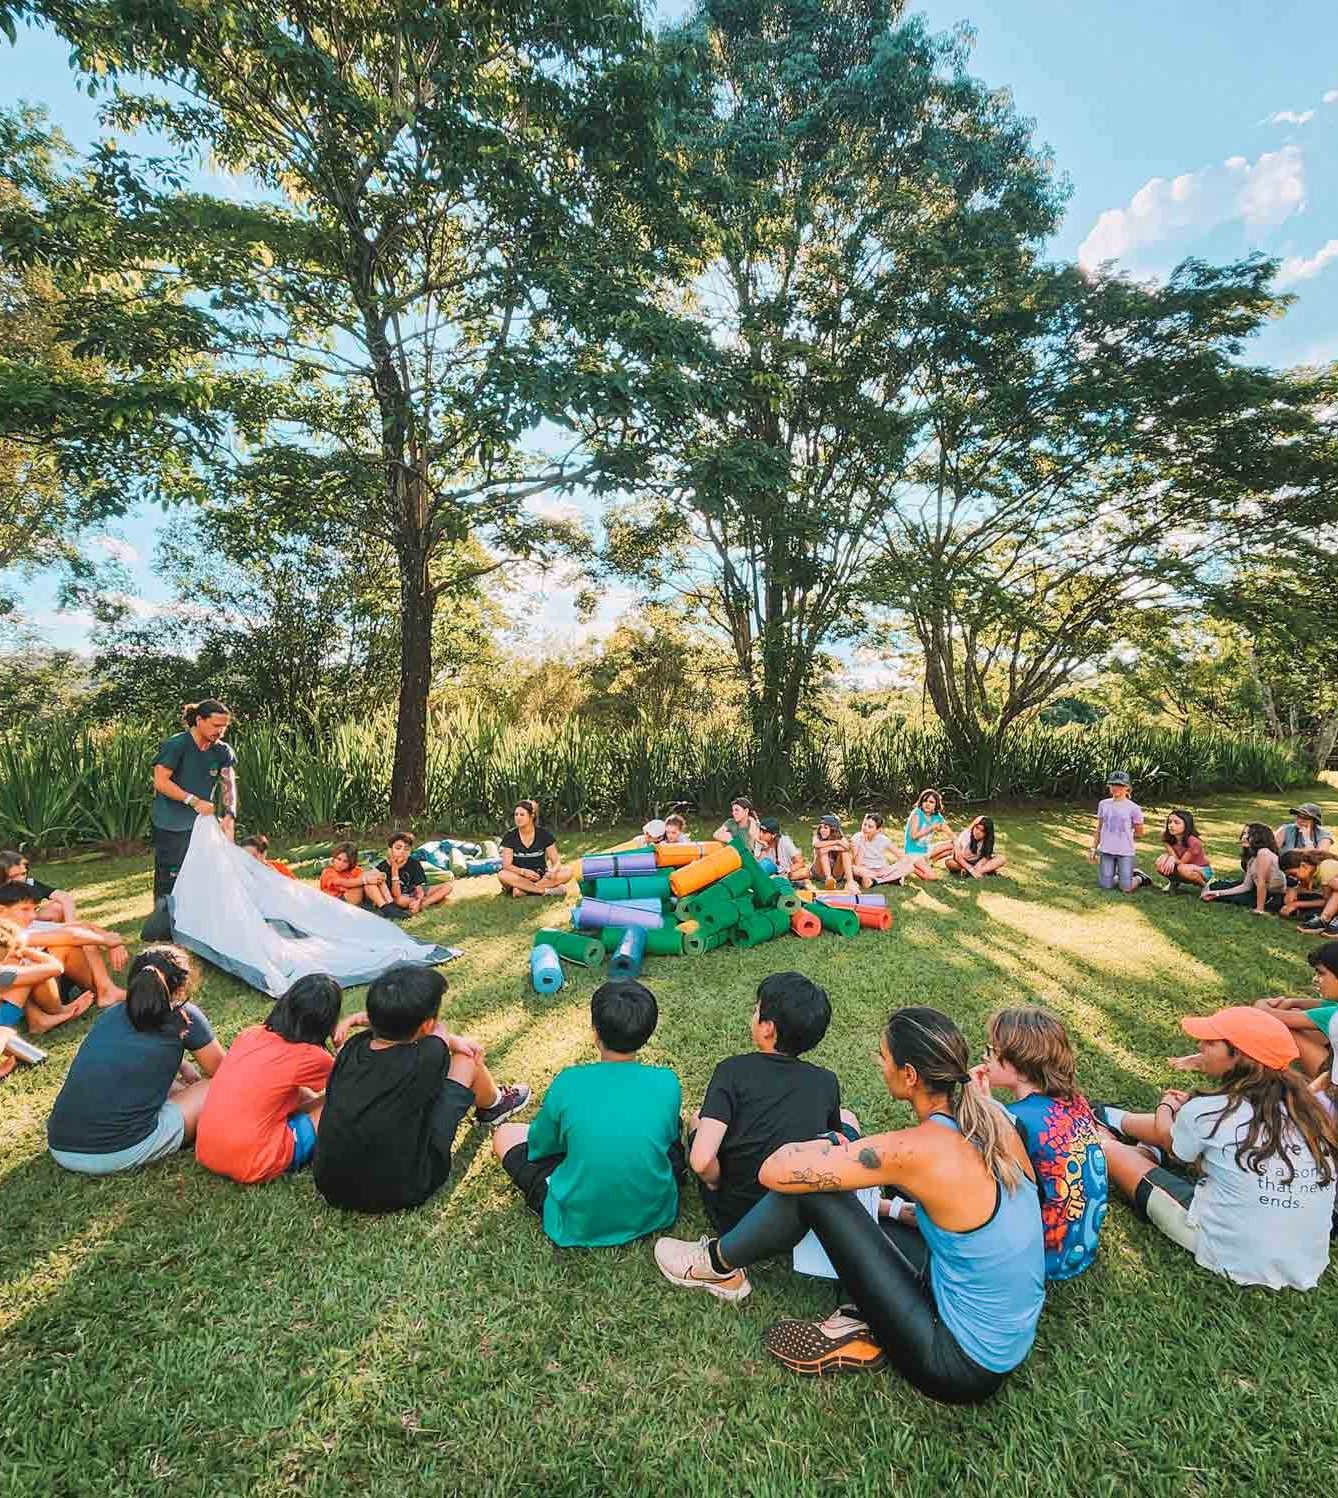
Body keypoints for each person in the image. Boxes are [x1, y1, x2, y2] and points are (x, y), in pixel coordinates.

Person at [654, 1007, 1044, 1402]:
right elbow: (968, 1222)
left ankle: (716, 1266)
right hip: (1002, 1338)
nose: (880, 1064)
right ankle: (855, 1320)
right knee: (877, 1207)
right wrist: (888, 1205)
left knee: (817, 1194)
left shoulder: (914, 1149)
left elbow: (773, 1172)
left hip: (958, 1363)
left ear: (909, 1075)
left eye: (883, 1057)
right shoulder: (994, 1122)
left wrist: (822, 1145)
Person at [1095, 1006, 1338, 1290]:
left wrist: (1166, 1106)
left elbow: (1173, 1145)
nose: (1200, 1047)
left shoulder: (1209, 1111)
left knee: (1108, 1151)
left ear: (1239, 1057)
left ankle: (1107, 1131)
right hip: (1305, 1260)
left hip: (1229, 1251)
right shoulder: (1311, 1111)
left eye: (1210, 1043)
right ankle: (1124, 1130)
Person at [313, 964, 530, 1213]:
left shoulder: (352, 1049)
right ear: (426, 1025)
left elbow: (409, 1030)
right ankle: (495, 1104)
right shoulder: (430, 1054)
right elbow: (440, 1036)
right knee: (468, 1059)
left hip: (330, 1183)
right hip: (404, 1188)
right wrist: (457, 1041)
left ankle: (494, 1103)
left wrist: (358, 1018)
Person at [492, 979, 683, 1247]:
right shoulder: (667, 1082)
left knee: (505, 1133)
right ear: (647, 1031)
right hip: (655, 1212)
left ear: (595, 1032)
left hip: (576, 1221)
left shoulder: (569, 1082)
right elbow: (670, 1137)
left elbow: (540, 1148)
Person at [688, 973, 844, 1244]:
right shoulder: (826, 1082)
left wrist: (713, 1183)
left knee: (695, 1121)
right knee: (848, 1119)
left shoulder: (731, 1071)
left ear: (767, 1028)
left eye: (756, 1009)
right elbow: (832, 1145)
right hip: (797, 1219)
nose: (753, 1014)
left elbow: (701, 1161)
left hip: (736, 1221)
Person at [46, 945, 224, 1175]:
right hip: (115, 1152)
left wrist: (182, 1066)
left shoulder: (111, 1016)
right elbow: (223, 1072)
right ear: (180, 986)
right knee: (211, 1088)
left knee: (181, 1088)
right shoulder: (184, 1015)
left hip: (60, 1146)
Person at [970, 1007, 1106, 1280]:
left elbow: (981, 1169)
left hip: (1038, 1257)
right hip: (1078, 1247)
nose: (985, 1056)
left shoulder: (1016, 1119)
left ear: (1019, 1066)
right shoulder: (1075, 1103)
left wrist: (980, 1108)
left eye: (992, 1050)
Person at [196, 974, 343, 1184]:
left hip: (207, 1150)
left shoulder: (250, 1034)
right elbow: (349, 1082)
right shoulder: (310, 1055)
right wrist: (339, 1046)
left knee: (295, 1091)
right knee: (336, 1103)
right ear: (327, 1022)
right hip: (251, 1160)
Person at [149, 699, 238, 909]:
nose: (220, 731)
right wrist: (193, 800)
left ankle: (197, 919)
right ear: (199, 720)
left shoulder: (222, 751)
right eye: (216, 726)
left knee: (206, 873)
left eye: (224, 727)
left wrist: (229, 814)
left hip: (202, 825)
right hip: (170, 823)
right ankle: (163, 923)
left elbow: (228, 783)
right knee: (171, 878)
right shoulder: (176, 745)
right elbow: (160, 781)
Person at [0, 883, 127, 1007]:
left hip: (37, 985)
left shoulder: (26, 923)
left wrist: (114, 942)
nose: (33, 915)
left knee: (83, 936)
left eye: (35, 909)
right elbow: (71, 936)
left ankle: (106, 989)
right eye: (25, 909)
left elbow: (79, 927)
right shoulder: (6, 933)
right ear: (2, 910)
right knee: (66, 945)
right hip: (18, 995)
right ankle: (103, 991)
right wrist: (106, 941)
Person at [1253, 941, 1338, 1077]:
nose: (1315, 979)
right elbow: (1319, 1005)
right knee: (1295, 1015)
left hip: (1331, 1085)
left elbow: (1266, 1014)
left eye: (1321, 974)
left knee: (1287, 1028)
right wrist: (1292, 1002)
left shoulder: (1333, 1014)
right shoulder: (1333, 1009)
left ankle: (1261, 1059)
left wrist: (1261, 1003)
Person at [0, 914, 87, 1047]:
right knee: (30, 971)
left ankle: (39, 1018)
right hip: (2, 1022)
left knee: (23, 974)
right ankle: (58, 1012)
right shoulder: (5, 973)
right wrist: (25, 951)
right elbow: (56, 967)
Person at [1200, 824, 1285, 915]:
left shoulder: (1263, 852)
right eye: (1244, 833)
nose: (1244, 837)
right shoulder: (1252, 859)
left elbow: (1262, 883)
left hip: (1272, 896)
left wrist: (1259, 909)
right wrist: (1216, 893)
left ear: (1259, 837)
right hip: (1256, 891)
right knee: (1216, 887)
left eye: (1248, 834)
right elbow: (1246, 886)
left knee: (1237, 898)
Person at [497, 800, 572, 897]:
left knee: (568, 871)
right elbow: (507, 865)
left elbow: (556, 862)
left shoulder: (544, 835)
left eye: (522, 815)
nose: (518, 818)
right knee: (502, 874)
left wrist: (552, 871)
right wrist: (523, 872)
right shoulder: (510, 836)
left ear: (532, 816)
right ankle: (545, 891)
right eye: (516, 814)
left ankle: (524, 890)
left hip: (540, 877)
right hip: (518, 877)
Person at [1087, 771, 1145, 893]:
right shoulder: (1103, 804)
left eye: (1120, 785)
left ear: (1127, 787)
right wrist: (1093, 848)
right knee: (1106, 886)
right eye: (1113, 785)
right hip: (1106, 850)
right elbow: (1099, 828)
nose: (1115, 788)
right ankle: (1121, 875)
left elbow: (1139, 832)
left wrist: (1124, 837)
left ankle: (1139, 877)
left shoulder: (1134, 808)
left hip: (1125, 851)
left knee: (1126, 888)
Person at [376, 832, 452, 918]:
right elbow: (396, 894)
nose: (402, 852)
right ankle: (428, 902)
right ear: (390, 850)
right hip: (399, 897)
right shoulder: (382, 868)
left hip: (413, 892)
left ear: (410, 852)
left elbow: (419, 888)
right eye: (398, 848)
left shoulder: (414, 863)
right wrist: (395, 869)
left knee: (447, 887)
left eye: (406, 849)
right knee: (399, 900)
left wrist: (419, 900)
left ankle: (420, 905)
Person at [1, 848, 75, 922]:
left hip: (30, 923)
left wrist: (70, 924)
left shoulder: (30, 884)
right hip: (7, 925)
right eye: (14, 876)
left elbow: (65, 897)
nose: (21, 879)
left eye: (23, 874)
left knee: (57, 908)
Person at [318, 841, 392, 909]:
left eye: (345, 861)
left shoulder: (354, 870)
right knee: (365, 881)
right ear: (334, 858)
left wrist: (380, 876)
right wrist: (365, 880)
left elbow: (367, 875)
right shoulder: (328, 871)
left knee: (371, 876)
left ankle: (390, 904)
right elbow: (343, 883)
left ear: (351, 862)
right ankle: (384, 906)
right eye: (338, 859)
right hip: (336, 902)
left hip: (354, 899)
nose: (340, 864)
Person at [1154, 810, 1211, 893]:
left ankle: (1205, 886)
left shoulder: (1194, 842)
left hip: (1201, 870)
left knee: (1181, 868)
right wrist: (1167, 857)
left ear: (1187, 825)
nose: (1171, 825)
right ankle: (1174, 882)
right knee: (1160, 862)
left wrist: (1171, 858)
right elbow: (1173, 856)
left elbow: (1182, 862)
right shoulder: (1166, 836)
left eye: (1176, 823)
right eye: (1169, 822)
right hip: (1182, 866)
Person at [1278, 849, 1338, 923]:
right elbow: (1301, 890)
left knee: (1313, 911)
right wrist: (1293, 891)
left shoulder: (1325, 867)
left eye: (1293, 874)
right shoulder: (1312, 872)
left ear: (1303, 866)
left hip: (1332, 902)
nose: (1294, 878)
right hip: (1330, 901)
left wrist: (1297, 904)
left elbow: (1328, 901)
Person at [904, 790, 954, 873]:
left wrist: (956, 840)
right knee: (932, 876)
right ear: (921, 802)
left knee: (952, 846)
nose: (927, 804)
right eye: (925, 801)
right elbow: (913, 836)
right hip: (913, 852)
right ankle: (909, 866)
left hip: (926, 850)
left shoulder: (937, 817)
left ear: (936, 805)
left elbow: (950, 833)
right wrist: (932, 828)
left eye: (931, 802)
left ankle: (930, 862)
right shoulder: (917, 813)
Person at [849, 813, 904, 887]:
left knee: (910, 865)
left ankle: (878, 880)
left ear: (878, 830)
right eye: (864, 824)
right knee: (853, 869)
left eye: (870, 827)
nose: (865, 828)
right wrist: (862, 844)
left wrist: (896, 867)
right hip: (865, 870)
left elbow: (901, 856)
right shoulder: (856, 838)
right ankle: (888, 879)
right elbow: (857, 864)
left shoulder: (883, 839)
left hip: (882, 869)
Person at [754, 817, 808, 883]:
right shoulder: (760, 841)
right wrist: (764, 848)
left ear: (774, 835)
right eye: (760, 831)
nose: (760, 834)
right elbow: (757, 866)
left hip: (786, 873)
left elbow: (800, 862)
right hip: (769, 872)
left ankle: (780, 879)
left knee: (805, 872)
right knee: (760, 871)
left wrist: (788, 870)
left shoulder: (785, 842)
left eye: (764, 832)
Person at [811, 814, 856, 891]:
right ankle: (829, 879)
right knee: (821, 850)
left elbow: (847, 847)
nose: (822, 830)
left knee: (844, 852)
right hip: (820, 872)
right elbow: (816, 844)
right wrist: (837, 842)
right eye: (821, 827)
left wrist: (832, 847)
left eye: (826, 828)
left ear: (833, 829)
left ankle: (850, 882)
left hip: (836, 872)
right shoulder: (817, 837)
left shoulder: (840, 837)